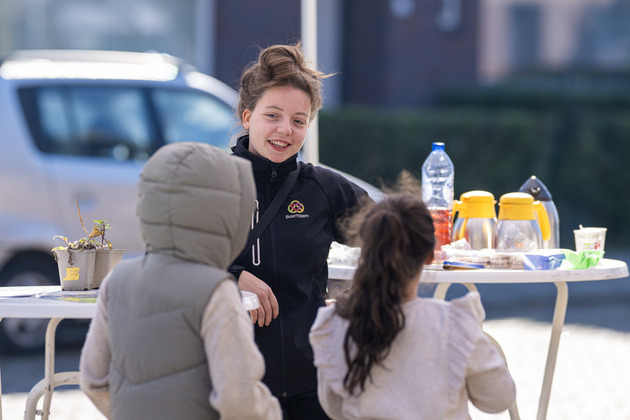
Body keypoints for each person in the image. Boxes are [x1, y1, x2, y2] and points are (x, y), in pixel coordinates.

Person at [79, 142, 282, 420]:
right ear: (224, 213)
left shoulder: (116, 279)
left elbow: (93, 380)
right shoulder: (215, 290)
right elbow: (238, 399)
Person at [228, 43, 370, 419]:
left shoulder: (323, 187)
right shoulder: (213, 183)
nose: (284, 130)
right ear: (247, 117)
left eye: (298, 120)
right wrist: (232, 277)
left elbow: (393, 239)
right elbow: (169, 262)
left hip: (314, 386)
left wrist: (358, 296)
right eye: (272, 115)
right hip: (235, 384)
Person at [308, 188, 517, 420]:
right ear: (429, 256)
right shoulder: (455, 325)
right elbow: (498, 399)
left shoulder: (336, 324)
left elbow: (334, 408)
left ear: (366, 250)